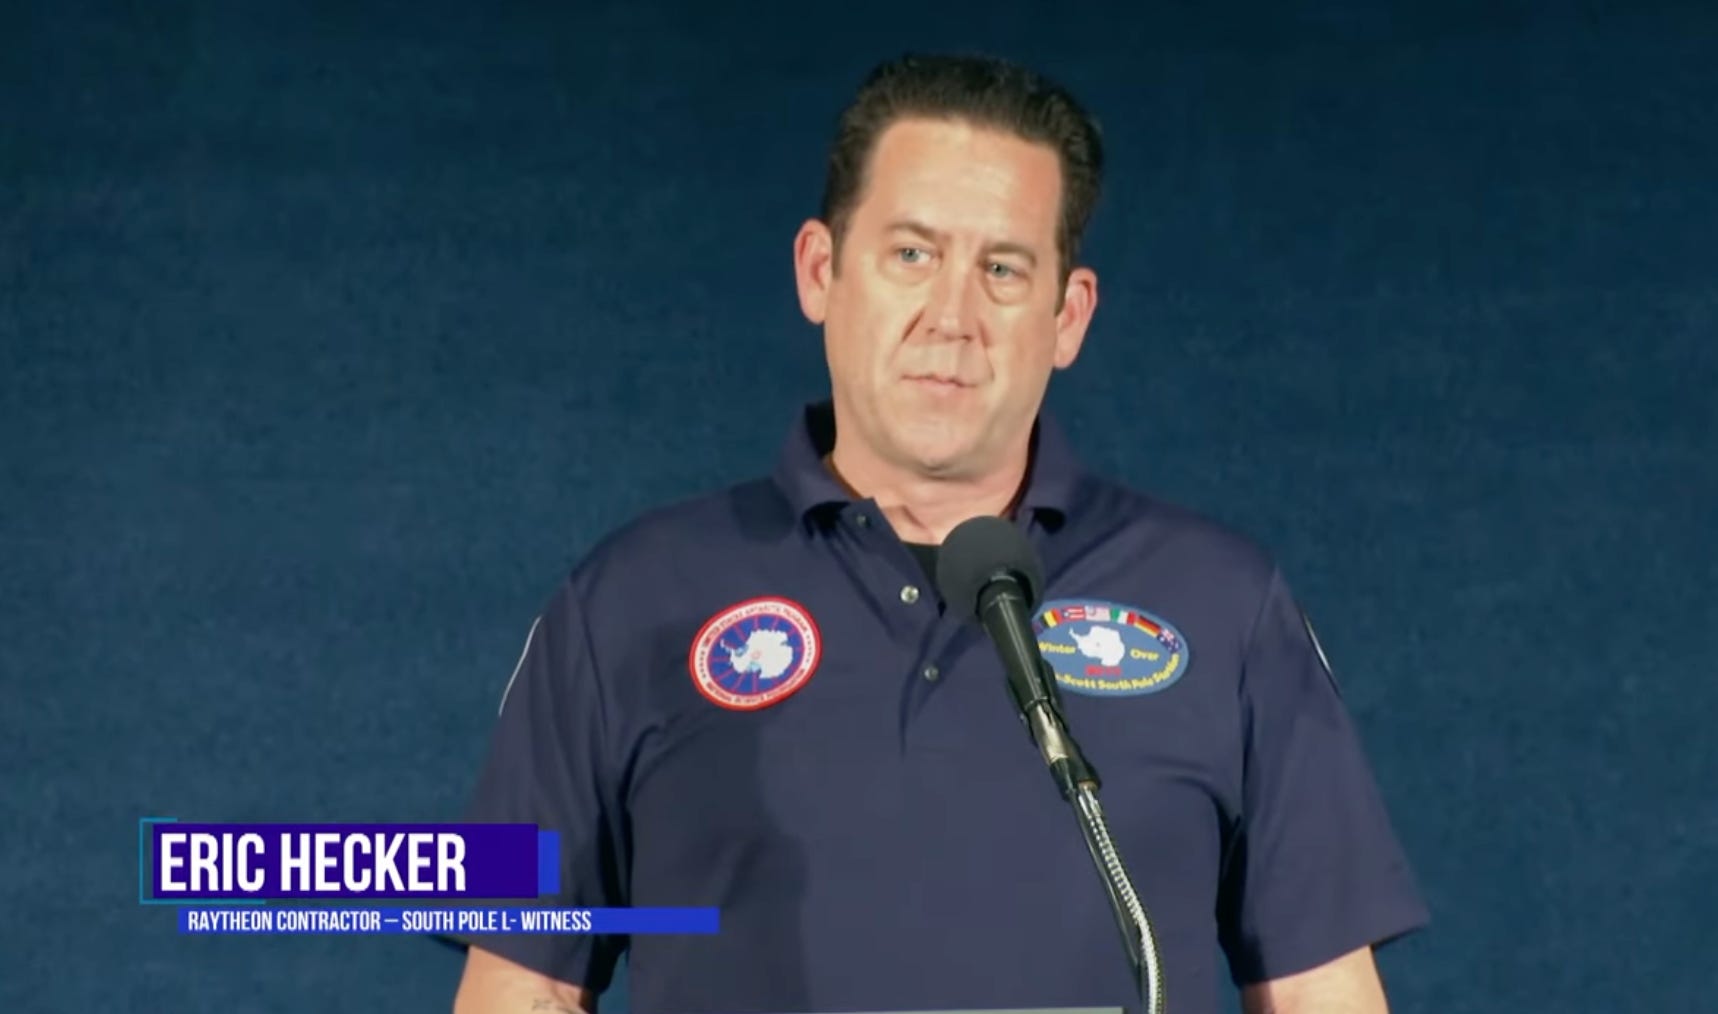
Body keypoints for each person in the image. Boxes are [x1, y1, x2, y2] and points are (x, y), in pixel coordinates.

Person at [451, 52, 1428, 1014]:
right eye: (912, 255)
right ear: (820, 271)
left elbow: (1319, 991)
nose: (951, 317)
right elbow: (521, 983)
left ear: (1067, 316)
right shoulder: (620, 602)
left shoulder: (1225, 606)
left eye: (1001, 269)